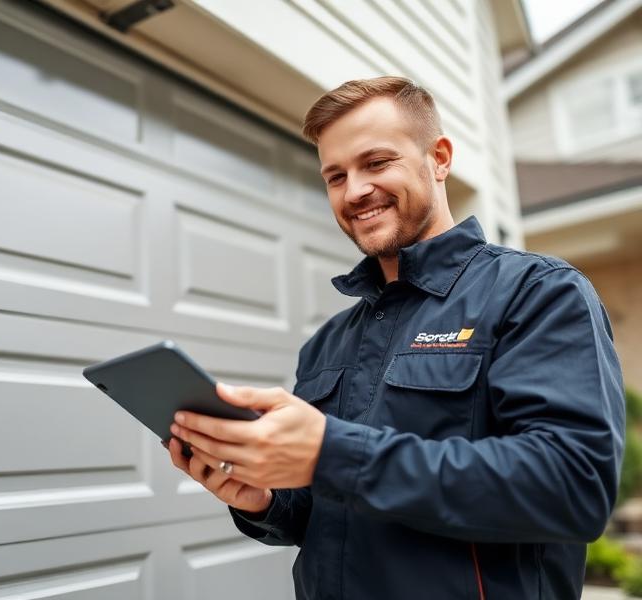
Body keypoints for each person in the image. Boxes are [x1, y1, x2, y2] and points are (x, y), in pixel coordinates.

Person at [165, 76, 625, 600]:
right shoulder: (327, 342)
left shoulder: (536, 292)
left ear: (440, 158)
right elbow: (321, 513)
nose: (354, 191)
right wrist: (263, 499)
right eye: (336, 176)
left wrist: (332, 453)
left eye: (377, 163)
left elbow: (573, 487)